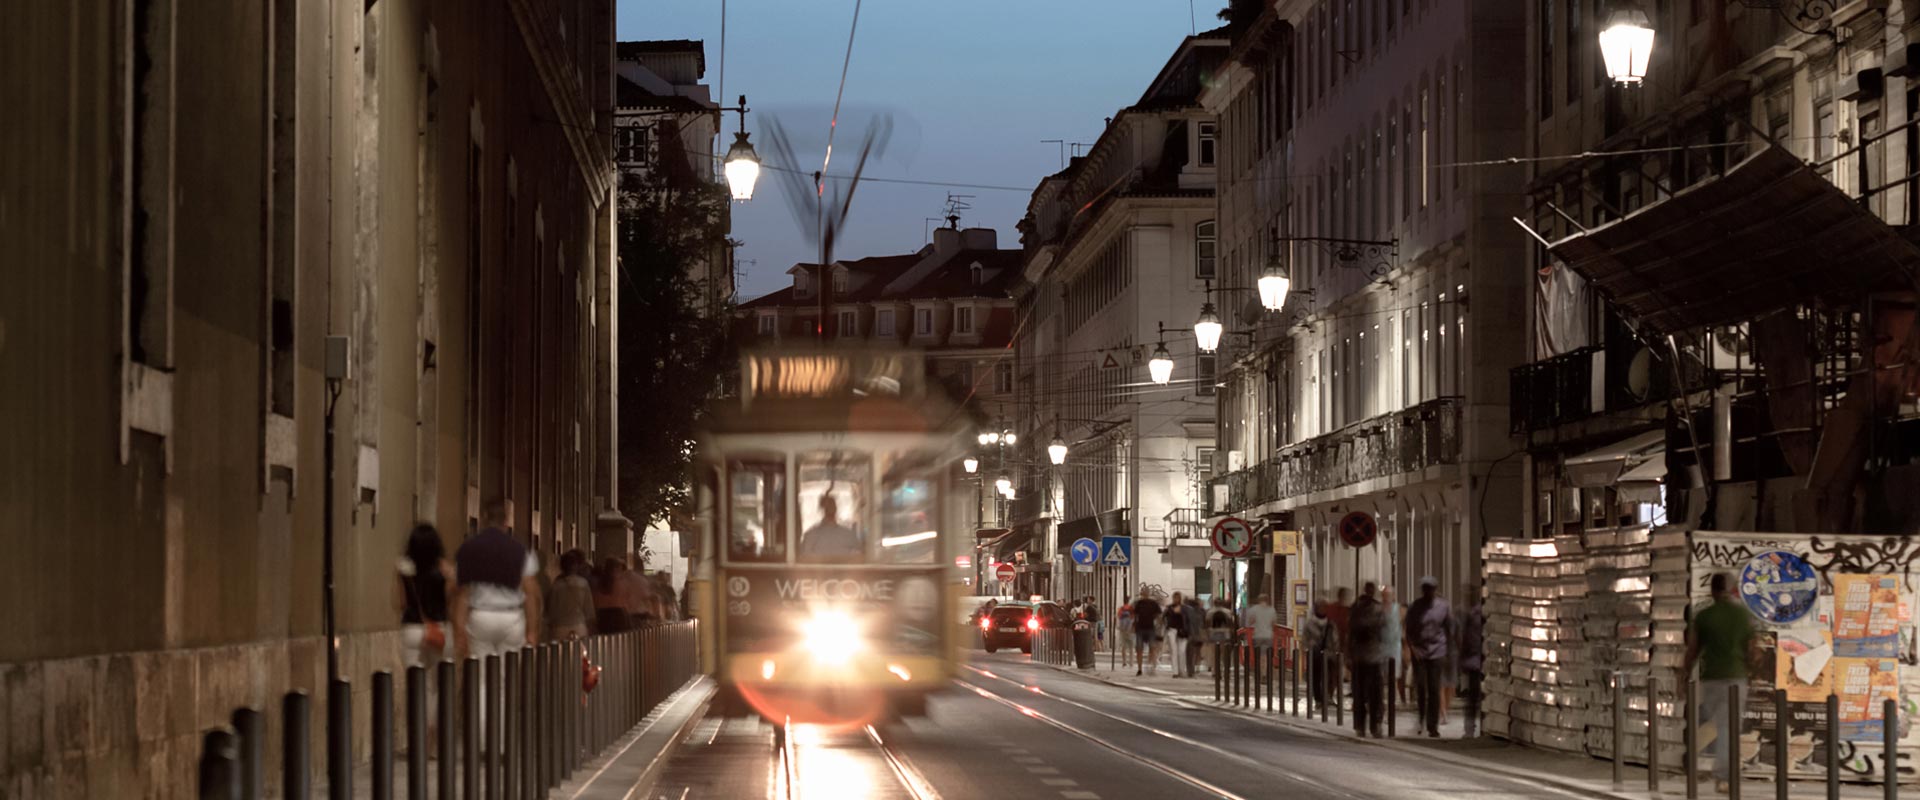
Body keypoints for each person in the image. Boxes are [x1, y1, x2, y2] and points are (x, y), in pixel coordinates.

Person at [1684, 572, 1756, 794]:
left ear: (1712, 591)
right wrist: (1751, 669)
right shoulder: (1743, 615)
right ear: (1732, 590)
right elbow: (1753, 650)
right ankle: (1723, 776)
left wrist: (1684, 674)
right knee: (1727, 726)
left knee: (1719, 722)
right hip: (1735, 677)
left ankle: (1692, 752)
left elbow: (1693, 649)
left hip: (1711, 678)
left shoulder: (1704, 616)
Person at [452, 499, 542, 659]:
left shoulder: (468, 549)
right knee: (509, 673)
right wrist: (532, 631)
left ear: (483, 518)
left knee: (479, 672)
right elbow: (530, 594)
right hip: (511, 618)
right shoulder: (521, 551)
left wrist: (459, 629)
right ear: (506, 521)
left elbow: (462, 594)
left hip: (481, 617)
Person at [393, 524, 453, 667]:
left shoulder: (403, 568)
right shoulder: (444, 569)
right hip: (438, 628)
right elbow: (451, 599)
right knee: (438, 682)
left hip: (412, 629)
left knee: (414, 680)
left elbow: (401, 602)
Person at [1405, 576, 1454, 737]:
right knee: (1420, 687)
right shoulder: (1415, 607)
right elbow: (1409, 630)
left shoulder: (1443, 607)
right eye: (1425, 589)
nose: (1428, 592)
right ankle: (1421, 718)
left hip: (1437, 651)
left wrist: (1449, 651)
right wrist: (1413, 648)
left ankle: (1432, 725)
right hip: (1419, 652)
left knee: (1434, 688)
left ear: (1435, 589)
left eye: (1430, 589)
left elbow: (1449, 628)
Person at [1346, 582, 1387, 737]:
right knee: (1374, 694)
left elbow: (1350, 633)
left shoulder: (1356, 607)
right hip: (1372, 656)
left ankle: (1361, 726)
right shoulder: (1377, 608)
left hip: (1360, 656)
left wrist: (1349, 653)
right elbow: (1383, 631)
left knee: (1360, 693)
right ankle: (1374, 726)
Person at [1457, 585, 1487, 738]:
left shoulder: (1472, 614)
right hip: (1479, 661)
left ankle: (1470, 728)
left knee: (1472, 697)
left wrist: (1462, 659)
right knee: (1475, 696)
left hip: (1476, 661)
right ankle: (1476, 727)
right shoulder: (1477, 613)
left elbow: (1466, 640)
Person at [545, 550, 595, 641]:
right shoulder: (583, 583)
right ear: (576, 566)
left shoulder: (556, 585)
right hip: (579, 625)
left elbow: (551, 611)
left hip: (559, 628)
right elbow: (589, 609)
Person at [799, 495, 861, 560]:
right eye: (828, 506)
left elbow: (804, 559)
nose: (830, 508)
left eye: (831, 506)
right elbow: (858, 556)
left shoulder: (810, 535)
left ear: (821, 510)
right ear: (836, 509)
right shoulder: (848, 535)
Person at [1302, 595, 1333, 708]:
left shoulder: (1330, 622)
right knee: (1316, 677)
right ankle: (1318, 698)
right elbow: (1305, 638)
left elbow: (1333, 638)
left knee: (1328, 676)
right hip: (1314, 653)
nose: (1324, 608)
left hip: (1328, 653)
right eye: (1322, 606)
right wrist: (1308, 647)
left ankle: (1327, 697)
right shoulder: (1310, 623)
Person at [592, 557, 633, 634]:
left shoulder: (599, 583)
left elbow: (595, 601)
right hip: (619, 615)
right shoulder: (621, 583)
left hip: (603, 615)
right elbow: (627, 602)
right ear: (616, 569)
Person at [1380, 585, 1406, 703]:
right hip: (1381, 646)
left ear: (1393, 596)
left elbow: (1404, 626)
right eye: (1385, 595)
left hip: (1395, 646)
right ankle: (1382, 698)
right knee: (1381, 674)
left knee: (1394, 675)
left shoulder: (1399, 609)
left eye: (1389, 595)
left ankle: (1393, 699)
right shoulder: (1379, 609)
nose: (1387, 597)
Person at [1130, 590, 1164, 676]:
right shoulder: (1139, 603)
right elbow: (1135, 615)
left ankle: (1151, 667)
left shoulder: (1153, 603)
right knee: (1139, 649)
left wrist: (1159, 626)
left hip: (1150, 628)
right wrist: (1133, 625)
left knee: (1152, 648)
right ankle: (1140, 669)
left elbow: (1159, 615)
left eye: (1145, 593)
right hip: (1141, 628)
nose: (1144, 595)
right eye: (1143, 593)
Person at [1243, 593, 1278, 677]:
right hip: (1268, 635)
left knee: (1259, 655)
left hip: (1258, 635)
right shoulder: (1272, 610)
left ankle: (1261, 672)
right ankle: (1264, 672)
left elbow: (1250, 622)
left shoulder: (1254, 609)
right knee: (1266, 655)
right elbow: (1274, 623)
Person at [1165, 592, 1192, 677]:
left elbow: (1188, 619)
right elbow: (1164, 617)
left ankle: (1182, 670)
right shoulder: (1169, 608)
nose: (1176, 599)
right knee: (1174, 651)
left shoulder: (1185, 608)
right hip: (1172, 630)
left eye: (1177, 598)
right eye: (1174, 598)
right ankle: (1175, 672)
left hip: (1183, 631)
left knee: (1182, 651)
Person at [1206, 597, 1236, 673]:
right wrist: (1232, 634)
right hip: (1225, 634)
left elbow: (1207, 624)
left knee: (1215, 654)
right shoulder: (1228, 612)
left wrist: (1207, 635)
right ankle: (1225, 669)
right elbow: (1231, 624)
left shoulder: (1210, 612)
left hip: (1213, 634)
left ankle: (1215, 671)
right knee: (1224, 654)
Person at [1117, 601, 1135, 667]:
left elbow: (1118, 618)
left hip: (1122, 631)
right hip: (1130, 631)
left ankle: (1124, 662)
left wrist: (1119, 628)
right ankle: (1131, 662)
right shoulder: (1132, 609)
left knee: (1124, 647)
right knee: (1131, 647)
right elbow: (1134, 619)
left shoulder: (1121, 609)